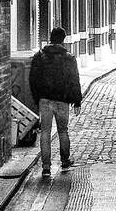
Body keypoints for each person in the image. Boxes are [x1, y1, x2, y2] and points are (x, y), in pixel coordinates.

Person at [28, 26, 83, 180]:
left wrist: (36, 98)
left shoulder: (39, 56)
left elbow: (33, 79)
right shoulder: (69, 58)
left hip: (44, 100)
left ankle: (46, 167)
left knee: (45, 132)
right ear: (63, 39)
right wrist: (77, 101)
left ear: (50, 38)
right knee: (63, 131)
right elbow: (74, 81)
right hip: (62, 101)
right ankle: (65, 161)